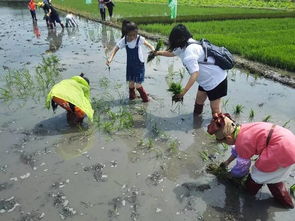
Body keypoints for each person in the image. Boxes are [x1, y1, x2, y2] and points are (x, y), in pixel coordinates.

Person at [207, 113, 295, 208]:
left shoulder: (242, 143)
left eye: (223, 142)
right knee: (273, 175)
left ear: (228, 138)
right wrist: (227, 162)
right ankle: (287, 204)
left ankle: (249, 193)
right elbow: (238, 150)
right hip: (288, 141)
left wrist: (232, 175)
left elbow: (243, 167)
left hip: (280, 150)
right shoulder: (242, 129)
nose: (225, 143)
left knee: (257, 175)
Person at [154, 24, 228, 116]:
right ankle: (197, 124)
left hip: (216, 81)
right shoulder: (185, 44)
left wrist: (182, 93)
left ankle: (225, 128)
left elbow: (195, 74)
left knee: (215, 111)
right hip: (205, 81)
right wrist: (157, 53)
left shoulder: (190, 51)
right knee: (198, 103)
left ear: (177, 39)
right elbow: (172, 53)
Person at [106, 21, 155, 102]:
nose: (132, 37)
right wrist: (110, 58)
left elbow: (150, 45)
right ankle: (132, 98)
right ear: (126, 33)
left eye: (134, 35)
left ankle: (146, 99)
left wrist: (153, 49)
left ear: (137, 33)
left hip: (139, 65)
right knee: (131, 83)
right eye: (130, 35)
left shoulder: (139, 39)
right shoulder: (124, 40)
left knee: (138, 85)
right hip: (130, 66)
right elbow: (116, 48)